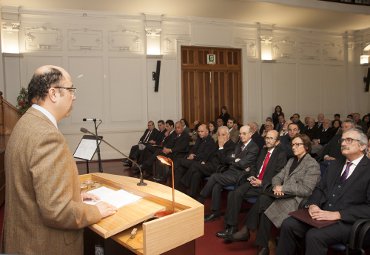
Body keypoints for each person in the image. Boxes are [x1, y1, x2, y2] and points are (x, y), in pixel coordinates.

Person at [3, 65, 117, 254]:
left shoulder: (24, 123)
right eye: (71, 90)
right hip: (43, 245)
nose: (74, 96)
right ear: (53, 93)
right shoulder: (47, 136)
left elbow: (30, 187)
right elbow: (57, 211)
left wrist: (75, 195)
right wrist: (96, 211)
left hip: (23, 239)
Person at [276, 128, 370, 255]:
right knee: (288, 224)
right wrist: (313, 204)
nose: (342, 143)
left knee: (314, 236)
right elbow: (320, 188)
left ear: (363, 146)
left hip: (348, 222)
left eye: (349, 140)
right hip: (322, 214)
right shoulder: (335, 164)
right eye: (342, 140)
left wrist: (338, 214)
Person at [227, 134, 320, 255]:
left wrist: (284, 188)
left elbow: (306, 189)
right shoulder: (291, 160)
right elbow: (278, 176)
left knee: (266, 207)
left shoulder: (312, 164)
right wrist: (277, 187)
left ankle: (252, 235)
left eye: (298, 144)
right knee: (264, 198)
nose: (294, 147)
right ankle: (260, 242)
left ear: (306, 147)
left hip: (296, 200)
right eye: (292, 144)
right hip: (282, 194)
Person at [216, 130, 287, 239]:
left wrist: (262, 182)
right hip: (254, 180)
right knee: (234, 193)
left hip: (266, 185)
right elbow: (254, 166)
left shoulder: (281, 154)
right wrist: (253, 176)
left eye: (271, 138)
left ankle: (236, 229)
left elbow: (278, 175)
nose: (268, 140)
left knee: (235, 194)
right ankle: (231, 227)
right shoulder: (263, 150)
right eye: (267, 138)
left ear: (277, 142)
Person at [198, 125, 259, 222]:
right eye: (240, 133)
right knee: (217, 185)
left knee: (214, 177)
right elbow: (228, 159)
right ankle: (215, 212)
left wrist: (236, 161)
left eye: (244, 134)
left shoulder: (254, 147)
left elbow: (242, 163)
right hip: (231, 171)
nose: (241, 136)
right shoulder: (239, 144)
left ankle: (200, 200)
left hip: (240, 175)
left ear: (250, 134)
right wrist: (236, 160)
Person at [181, 126, 236, 198]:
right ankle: (192, 194)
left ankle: (183, 184)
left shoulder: (231, 145)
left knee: (195, 165)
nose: (220, 137)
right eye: (219, 135)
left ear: (228, 135)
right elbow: (211, 153)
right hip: (210, 164)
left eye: (223, 135)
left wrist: (221, 147)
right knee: (197, 173)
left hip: (218, 168)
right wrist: (204, 161)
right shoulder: (218, 142)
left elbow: (224, 161)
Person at [174, 124, 217, 189]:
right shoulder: (199, 139)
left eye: (202, 131)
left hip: (199, 163)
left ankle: (167, 177)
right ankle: (177, 189)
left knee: (179, 160)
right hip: (193, 161)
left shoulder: (210, 142)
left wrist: (194, 157)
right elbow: (193, 149)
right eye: (198, 131)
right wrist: (190, 154)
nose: (199, 133)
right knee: (180, 169)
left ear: (207, 132)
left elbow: (205, 155)